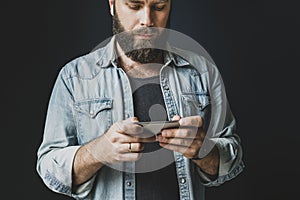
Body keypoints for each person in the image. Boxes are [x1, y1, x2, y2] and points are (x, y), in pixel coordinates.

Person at [36, 0, 244, 199]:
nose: (147, 20)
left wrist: (204, 150)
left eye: (159, 6)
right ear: (112, 5)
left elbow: (233, 159)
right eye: (134, 5)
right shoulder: (74, 77)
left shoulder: (203, 71)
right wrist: (98, 151)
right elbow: (49, 170)